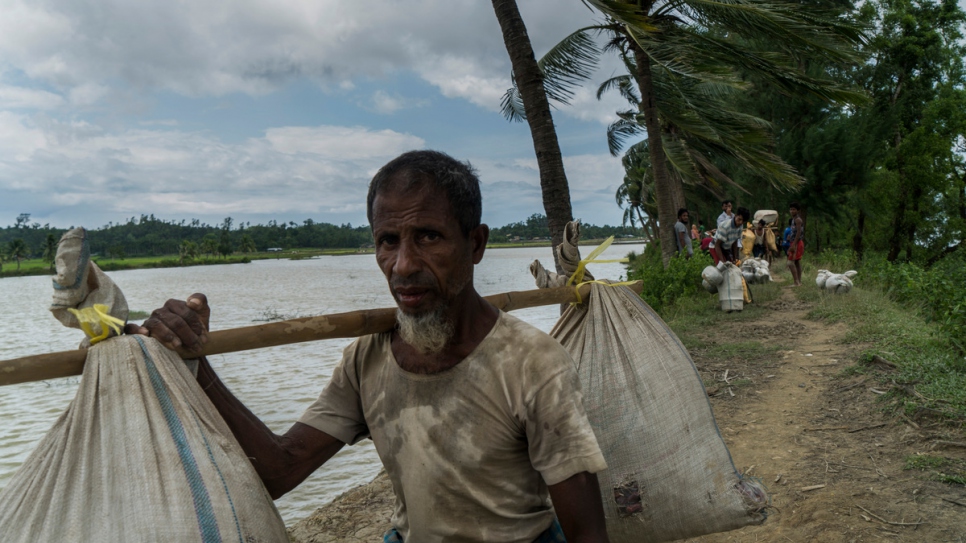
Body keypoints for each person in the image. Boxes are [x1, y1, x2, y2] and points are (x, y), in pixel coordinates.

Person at [131, 151, 610, 543]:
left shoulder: (532, 362)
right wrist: (197, 364)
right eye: (387, 241)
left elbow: (587, 533)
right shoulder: (368, 359)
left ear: (476, 244)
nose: (402, 265)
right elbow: (279, 472)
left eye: (428, 237)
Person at [787, 202, 805, 286]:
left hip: (797, 243)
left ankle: (796, 282)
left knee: (790, 263)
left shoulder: (798, 220)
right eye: (791, 209)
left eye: (794, 209)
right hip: (794, 242)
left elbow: (799, 232)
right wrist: (790, 236)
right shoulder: (794, 220)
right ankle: (798, 282)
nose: (792, 211)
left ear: (798, 210)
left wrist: (794, 244)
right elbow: (794, 231)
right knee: (797, 262)